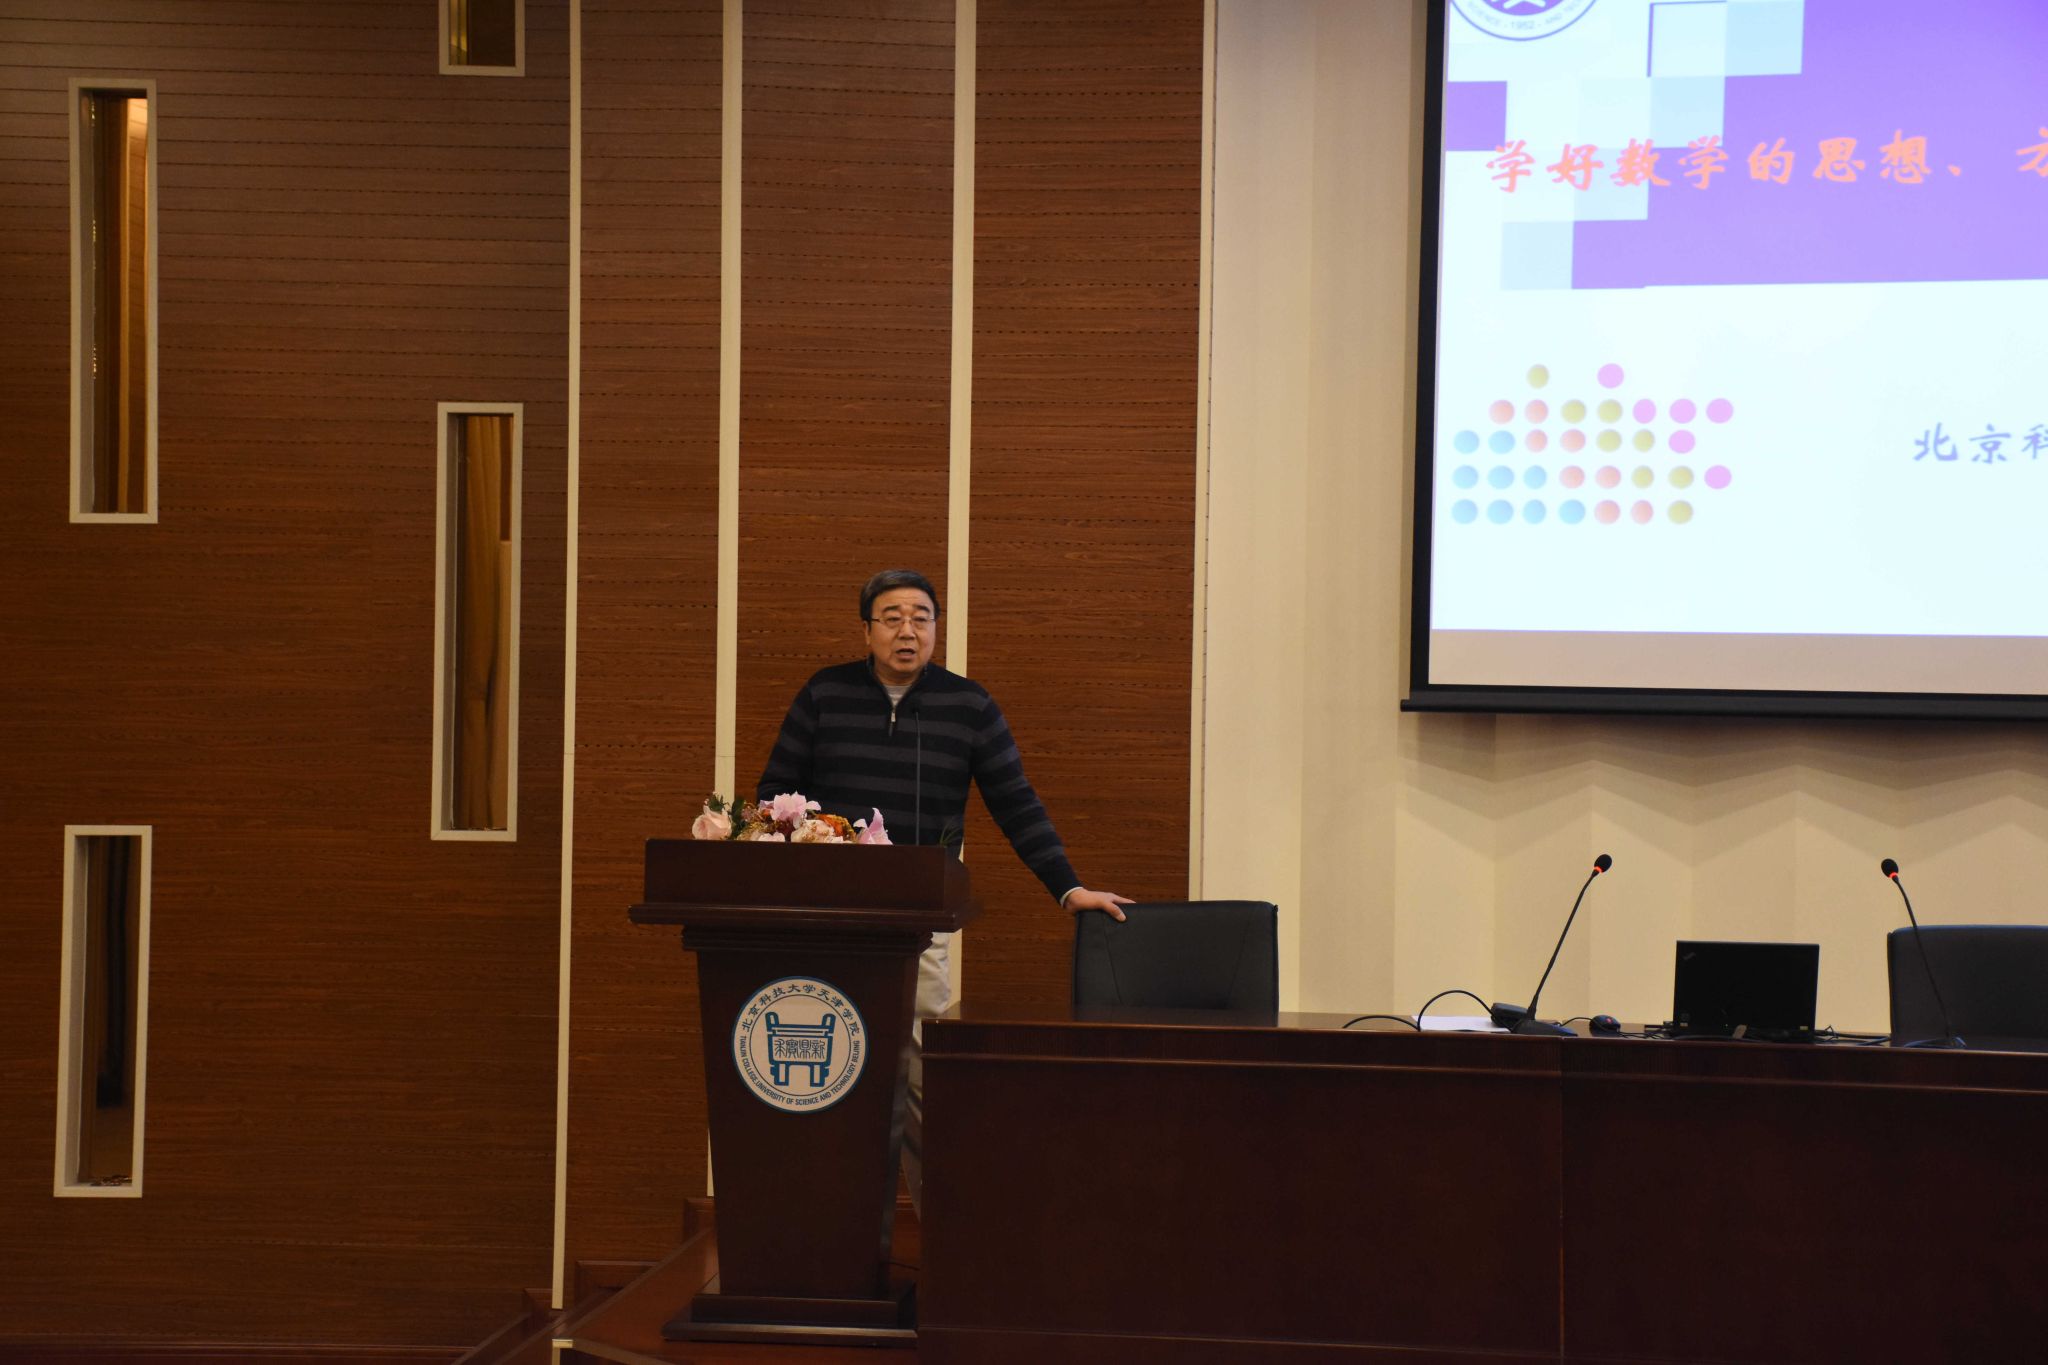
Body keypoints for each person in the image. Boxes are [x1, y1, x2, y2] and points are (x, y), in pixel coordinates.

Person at [756, 567, 1131, 1203]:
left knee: (922, 1072)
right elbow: (775, 795)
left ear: (935, 629)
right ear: (867, 631)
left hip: (918, 920)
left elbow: (1016, 804)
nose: (908, 631)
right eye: (892, 618)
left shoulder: (968, 706)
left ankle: (947, 1220)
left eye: (921, 618)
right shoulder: (824, 693)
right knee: (825, 1066)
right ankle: (822, 1212)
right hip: (828, 919)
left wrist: (1068, 888)